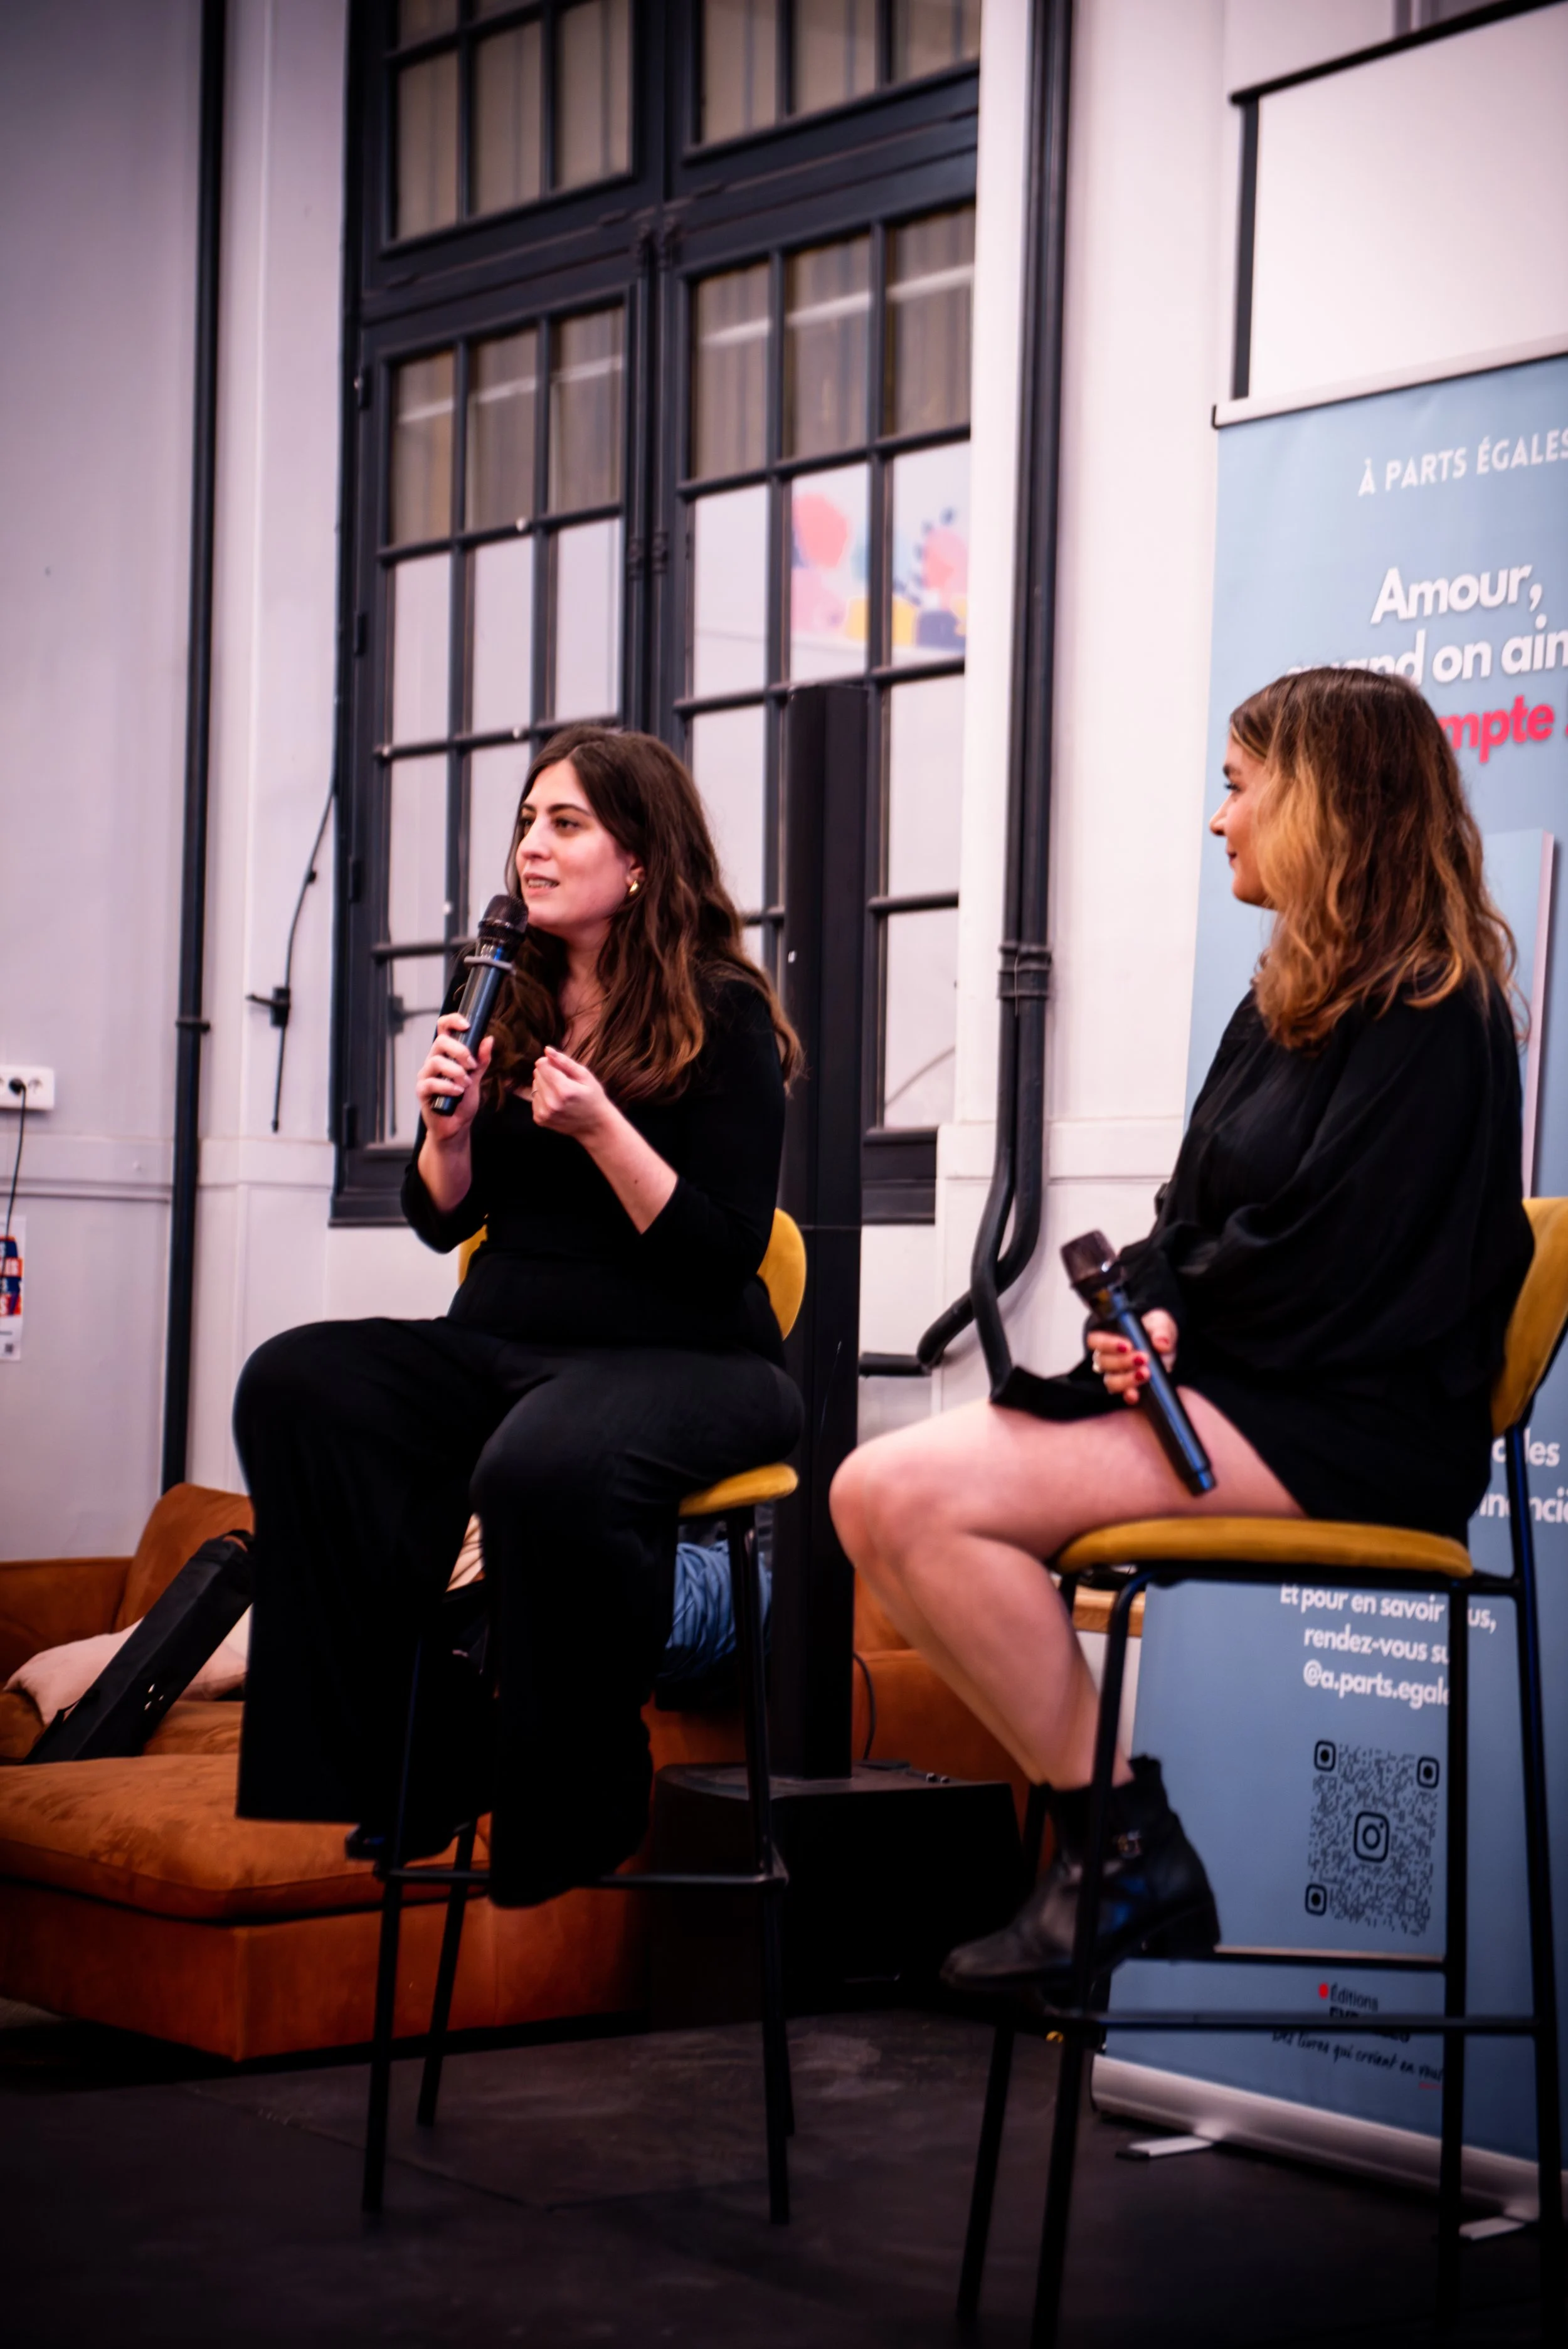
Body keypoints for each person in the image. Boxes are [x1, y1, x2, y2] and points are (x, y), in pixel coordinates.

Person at [830, 667, 1532, 1990]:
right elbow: (1184, 1216)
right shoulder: (1286, 996)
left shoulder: (1436, 1012)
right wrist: (1149, 1302)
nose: (1219, 820)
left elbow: (1336, 1266)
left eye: (1238, 787)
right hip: (1252, 1386)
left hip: (1354, 1429)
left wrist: (1178, 1319)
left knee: (903, 1497)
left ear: (1321, 800)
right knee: (874, 1501)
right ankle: (1114, 1854)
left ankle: (1115, 1853)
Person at [235, 726, 802, 1904]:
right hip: (504, 1344)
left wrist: (603, 1130)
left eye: (566, 824)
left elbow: (725, 1249)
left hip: (688, 1355)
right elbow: (443, 1220)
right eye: (527, 823)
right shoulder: (511, 993)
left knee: (537, 1463)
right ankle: (419, 1754)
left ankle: (582, 1790)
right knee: (294, 1384)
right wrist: (446, 1138)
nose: (532, 848)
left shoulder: (722, 1011)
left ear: (639, 859)